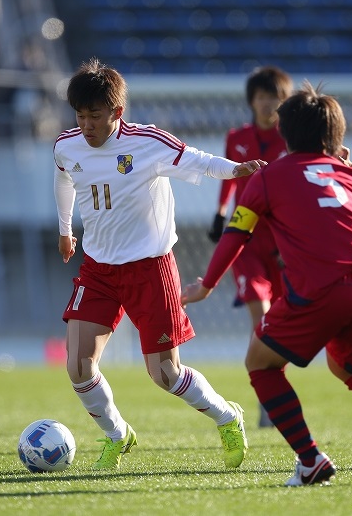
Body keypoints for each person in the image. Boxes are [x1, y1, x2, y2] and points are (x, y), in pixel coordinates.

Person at [183, 82, 352, 486]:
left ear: (285, 134)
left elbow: (235, 233)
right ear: (336, 137)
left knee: (260, 363)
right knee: (351, 366)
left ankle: (309, 459)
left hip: (321, 287)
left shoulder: (269, 177)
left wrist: (207, 283)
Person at [53, 57, 260, 471]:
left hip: (150, 268)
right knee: (78, 366)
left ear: (117, 112)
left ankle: (226, 416)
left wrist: (237, 170)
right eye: (80, 116)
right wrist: (65, 229)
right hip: (98, 268)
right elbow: (62, 177)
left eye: (95, 116)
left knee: (165, 374)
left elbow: (199, 160)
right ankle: (117, 434)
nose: (86, 125)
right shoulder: (66, 145)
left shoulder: (149, 143)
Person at [207, 65, 293, 428]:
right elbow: (230, 177)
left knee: (280, 319)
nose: (267, 103)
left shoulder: (292, 139)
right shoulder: (236, 137)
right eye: (261, 97)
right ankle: (267, 403)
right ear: (251, 101)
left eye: (274, 97)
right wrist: (220, 212)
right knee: (261, 314)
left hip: (282, 239)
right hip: (245, 236)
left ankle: (273, 390)